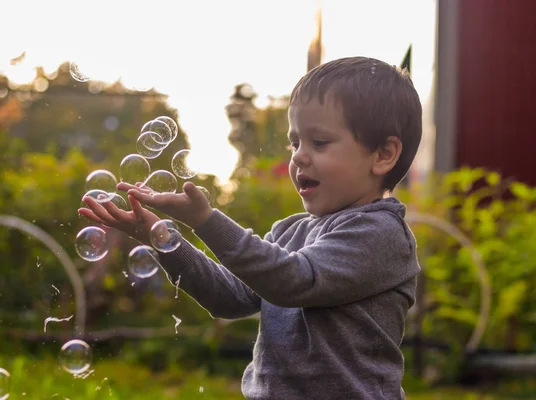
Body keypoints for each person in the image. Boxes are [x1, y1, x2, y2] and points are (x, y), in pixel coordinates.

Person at [79, 56, 422, 399]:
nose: (299, 157)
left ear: (383, 154)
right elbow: (228, 298)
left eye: (319, 143)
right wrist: (162, 237)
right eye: (295, 143)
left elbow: (295, 280)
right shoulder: (290, 232)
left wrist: (207, 221)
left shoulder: (382, 234)